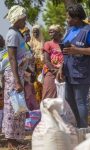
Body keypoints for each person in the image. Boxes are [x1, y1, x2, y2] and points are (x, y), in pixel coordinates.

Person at [56, 4, 90, 127]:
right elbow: (66, 51)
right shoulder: (70, 30)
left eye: (69, 18)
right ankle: (76, 126)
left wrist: (78, 50)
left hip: (82, 72)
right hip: (69, 71)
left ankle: (83, 128)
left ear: (76, 18)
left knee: (80, 101)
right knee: (69, 99)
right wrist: (61, 68)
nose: (67, 20)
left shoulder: (89, 31)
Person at [3, 5, 29, 149]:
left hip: (18, 74)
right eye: (23, 18)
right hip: (13, 76)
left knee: (18, 108)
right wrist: (17, 81)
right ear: (18, 18)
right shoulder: (12, 34)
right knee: (12, 108)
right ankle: (11, 142)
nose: (25, 21)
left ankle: (16, 138)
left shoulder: (18, 33)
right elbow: (12, 58)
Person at [42, 25, 63, 99]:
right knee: (48, 95)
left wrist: (60, 71)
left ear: (58, 32)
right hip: (51, 72)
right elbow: (46, 60)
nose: (50, 33)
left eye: (52, 31)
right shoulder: (47, 44)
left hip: (63, 72)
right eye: (49, 32)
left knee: (62, 95)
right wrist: (55, 71)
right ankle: (47, 110)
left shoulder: (64, 43)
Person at [21, 27, 38, 110]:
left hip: (31, 71)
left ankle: (33, 111)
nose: (28, 35)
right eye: (26, 34)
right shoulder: (22, 46)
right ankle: (29, 111)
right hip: (25, 73)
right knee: (28, 94)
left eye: (28, 33)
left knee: (31, 92)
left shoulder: (27, 45)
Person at [29, 25, 44, 104]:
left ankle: (42, 103)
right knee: (34, 86)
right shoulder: (29, 43)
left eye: (37, 32)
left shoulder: (43, 42)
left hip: (41, 66)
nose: (35, 33)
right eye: (34, 32)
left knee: (41, 84)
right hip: (32, 67)